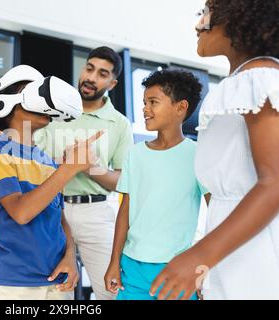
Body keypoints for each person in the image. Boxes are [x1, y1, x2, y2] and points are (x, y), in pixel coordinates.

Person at [150, 0, 279, 300]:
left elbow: (274, 182)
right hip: (235, 244)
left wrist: (200, 256)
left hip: (257, 249)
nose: (198, 25)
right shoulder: (241, 81)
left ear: (239, 17)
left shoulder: (260, 79)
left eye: (205, 14)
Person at [0, 65, 101, 300]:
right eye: (30, 92)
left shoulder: (46, 160)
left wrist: (70, 257)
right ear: (8, 102)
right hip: (11, 285)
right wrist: (70, 168)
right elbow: (21, 212)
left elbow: (60, 220)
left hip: (56, 281)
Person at [34, 46, 133, 300]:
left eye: (102, 74)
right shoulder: (53, 113)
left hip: (96, 214)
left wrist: (90, 167)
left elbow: (124, 181)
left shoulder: (120, 124)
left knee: (110, 292)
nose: (91, 77)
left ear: (112, 83)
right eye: (89, 69)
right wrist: (67, 163)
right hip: (51, 210)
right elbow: (33, 165)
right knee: (55, 292)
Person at [104, 69, 209, 300]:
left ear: (180, 107)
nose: (145, 108)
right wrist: (114, 261)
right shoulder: (136, 154)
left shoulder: (199, 154)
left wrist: (205, 264)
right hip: (132, 268)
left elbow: (216, 212)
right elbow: (125, 211)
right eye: (144, 102)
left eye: (153, 102)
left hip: (178, 269)